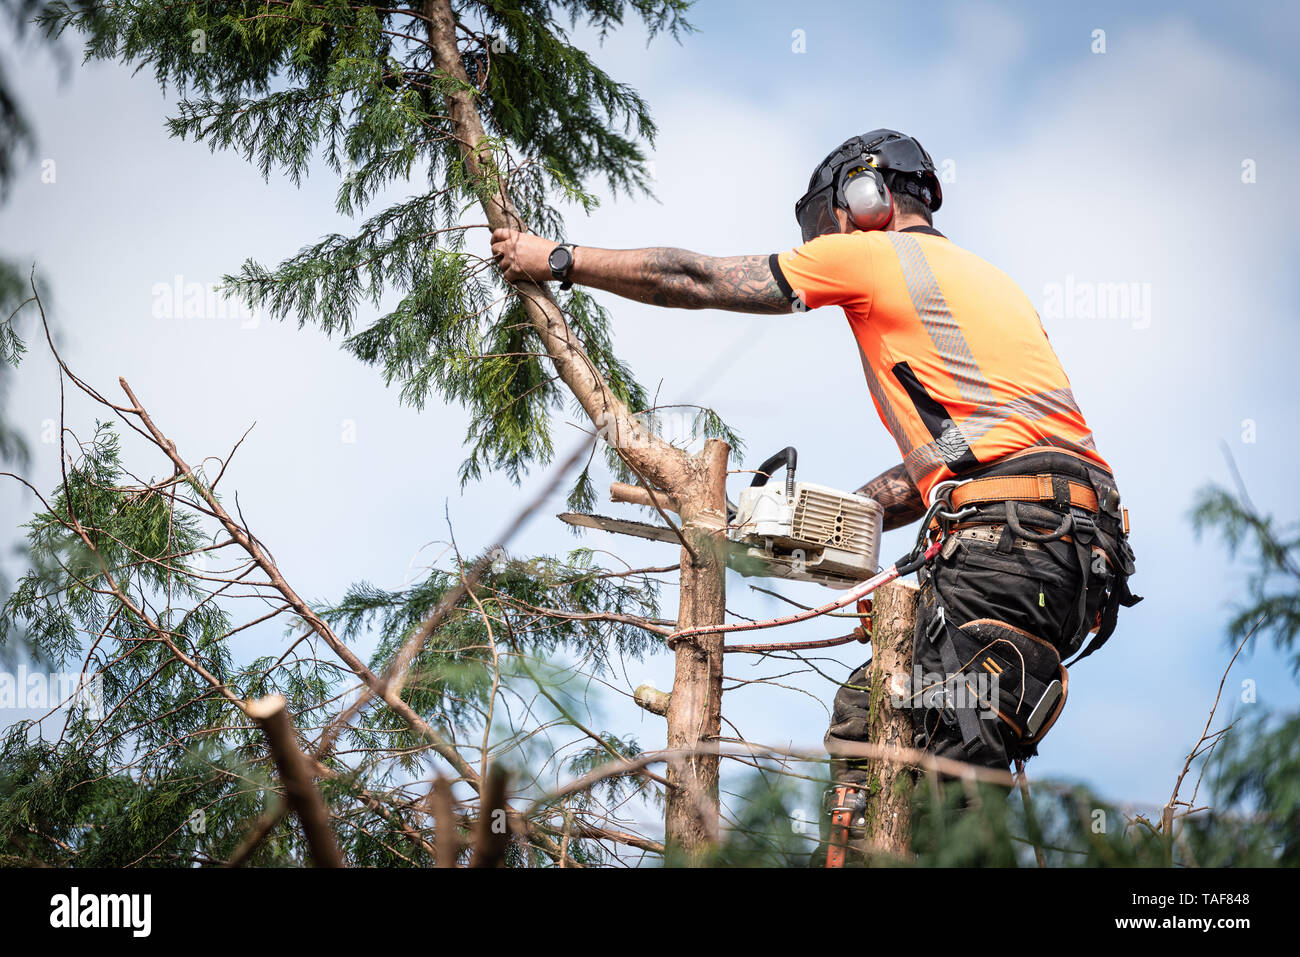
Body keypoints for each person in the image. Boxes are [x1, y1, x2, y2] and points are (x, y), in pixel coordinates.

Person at [491, 128, 1141, 865]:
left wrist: (561, 260)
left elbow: (695, 277)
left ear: (863, 200)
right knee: (874, 715)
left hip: (1010, 539)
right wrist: (819, 520)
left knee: (947, 751)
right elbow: (960, 457)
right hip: (1062, 547)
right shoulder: (985, 289)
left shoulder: (874, 253)